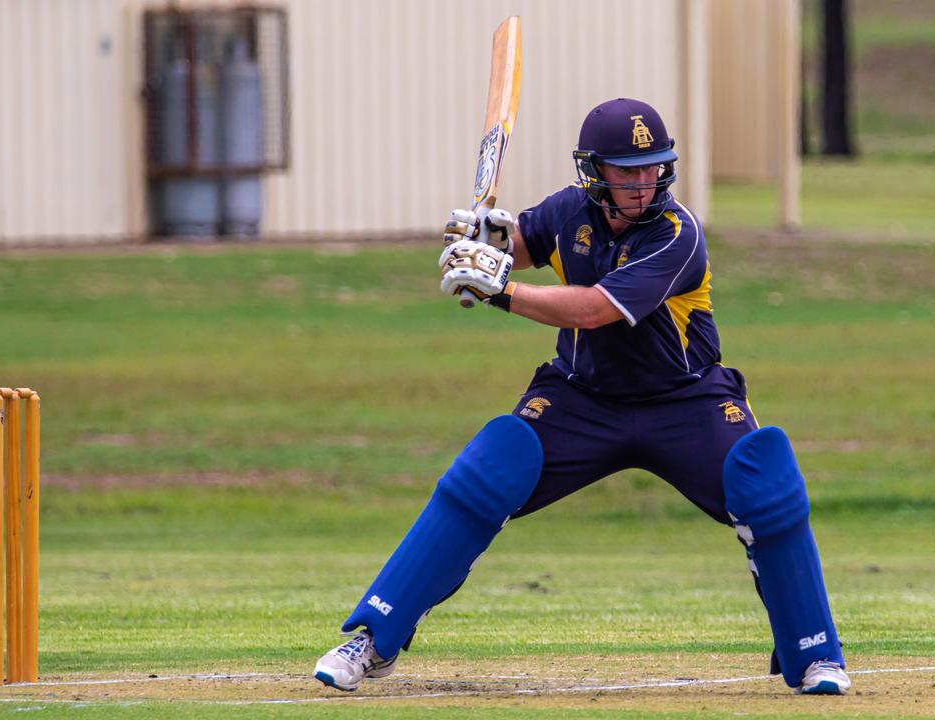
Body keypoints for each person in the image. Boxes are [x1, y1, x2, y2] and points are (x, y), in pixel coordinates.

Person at [313, 98, 850, 695]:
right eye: (628, 169)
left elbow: (595, 309)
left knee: (765, 481)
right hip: (580, 398)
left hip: (686, 401)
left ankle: (815, 656)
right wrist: (483, 240)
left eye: (653, 166)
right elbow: (516, 245)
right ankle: (374, 637)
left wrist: (499, 290)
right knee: (490, 467)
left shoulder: (677, 234)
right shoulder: (570, 211)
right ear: (594, 171)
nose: (644, 181)